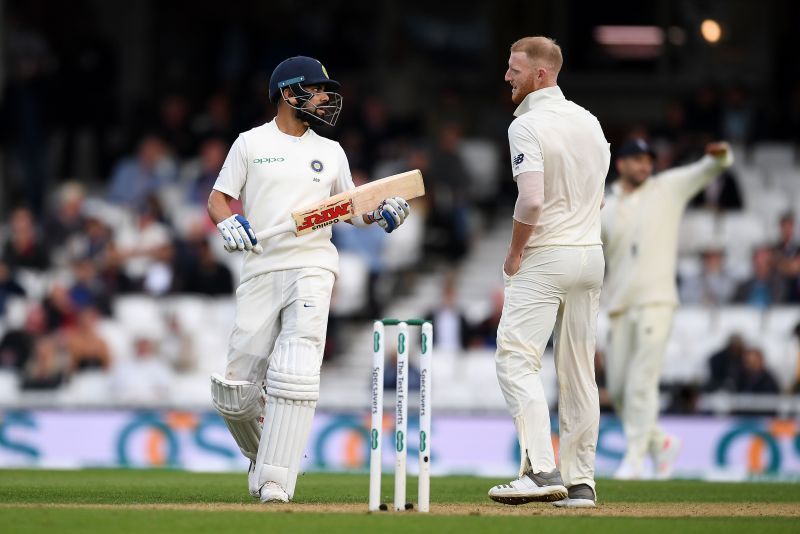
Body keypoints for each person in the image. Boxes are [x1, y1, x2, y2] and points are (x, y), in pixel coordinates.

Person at [206, 56, 412, 504]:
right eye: (316, 89)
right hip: (261, 267)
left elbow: (352, 209)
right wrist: (229, 222)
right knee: (235, 392)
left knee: (297, 368)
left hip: (314, 264)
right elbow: (219, 199)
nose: (324, 98)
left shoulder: (330, 151)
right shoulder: (250, 143)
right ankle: (266, 459)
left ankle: (276, 483)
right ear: (287, 93)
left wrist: (382, 213)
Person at [488, 36, 609, 509]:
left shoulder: (527, 125)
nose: (507, 76)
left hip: (546, 254)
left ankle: (541, 469)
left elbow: (532, 199)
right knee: (579, 372)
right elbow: (598, 196)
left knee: (515, 360)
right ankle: (581, 484)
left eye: (514, 68)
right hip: (590, 254)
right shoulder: (590, 121)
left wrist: (515, 252)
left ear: (540, 74)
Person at [602, 137, 733, 481]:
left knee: (640, 383)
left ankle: (633, 459)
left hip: (657, 301)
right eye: (637, 159)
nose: (645, 165)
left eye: (648, 159)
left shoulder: (667, 188)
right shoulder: (607, 202)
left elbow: (706, 170)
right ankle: (661, 444)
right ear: (621, 165)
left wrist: (719, 157)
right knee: (617, 389)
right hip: (619, 306)